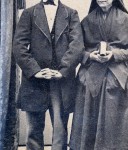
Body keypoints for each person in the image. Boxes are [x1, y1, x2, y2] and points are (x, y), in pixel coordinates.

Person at [70, 0, 128, 150]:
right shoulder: (87, 20)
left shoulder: (125, 19)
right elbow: (77, 51)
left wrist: (113, 54)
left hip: (116, 78)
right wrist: (90, 55)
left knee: (116, 122)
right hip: (91, 78)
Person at [13, 0, 84, 149]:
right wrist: (36, 71)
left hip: (61, 82)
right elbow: (19, 46)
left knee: (60, 129)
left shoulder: (71, 14)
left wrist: (62, 71)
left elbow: (77, 46)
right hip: (35, 82)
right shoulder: (29, 14)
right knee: (33, 130)